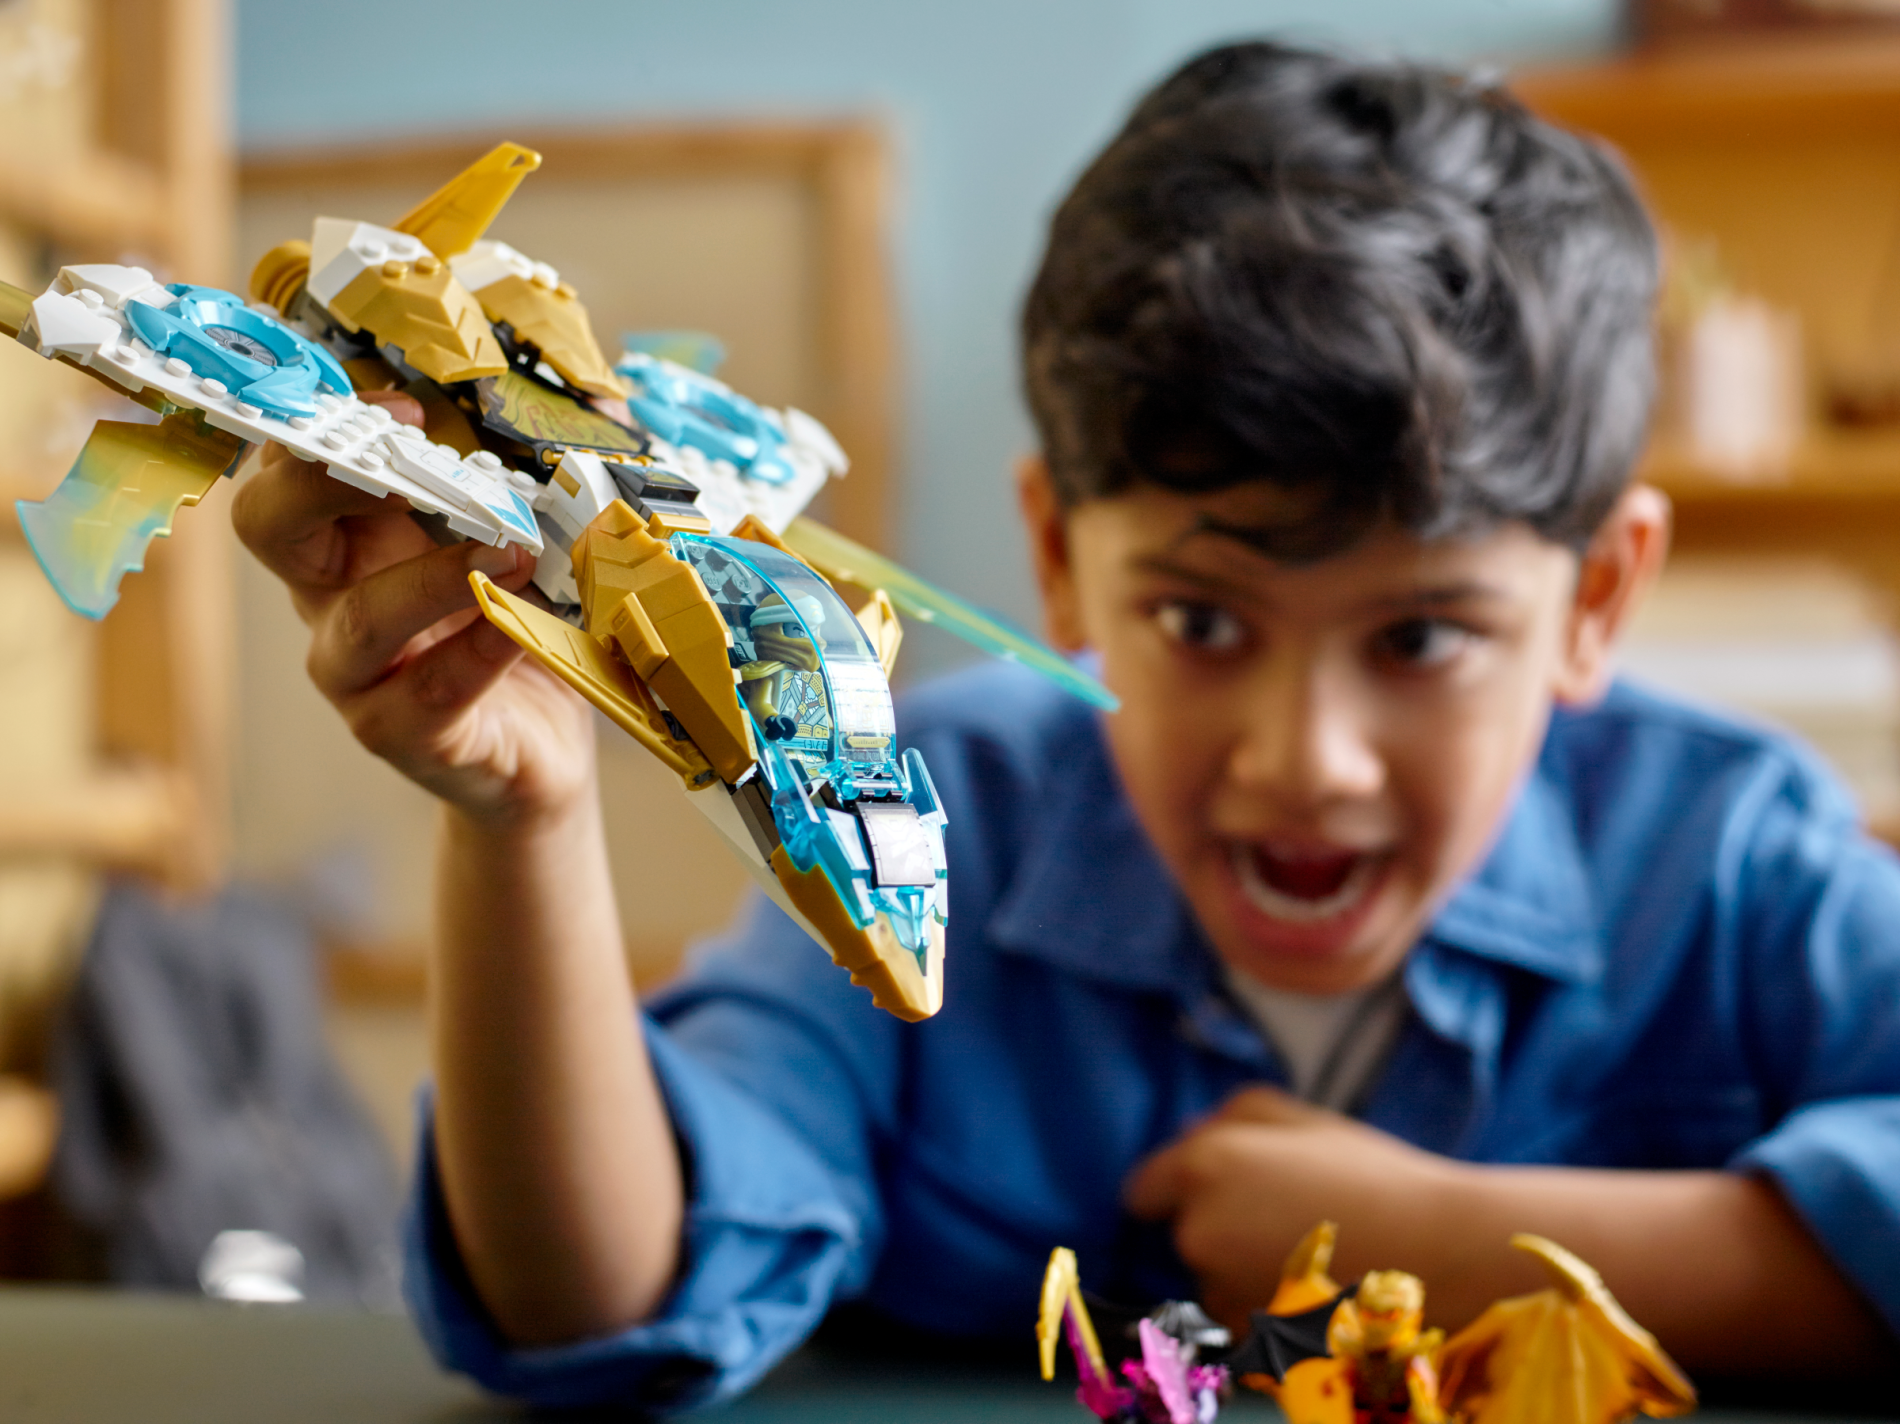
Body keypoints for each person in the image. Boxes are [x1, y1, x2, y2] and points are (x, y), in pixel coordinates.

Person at [229, 40, 1898, 1412]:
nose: (1305, 759)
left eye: (1422, 640)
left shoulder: (1729, 857)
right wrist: (526, 819)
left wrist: (1448, 1242)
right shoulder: (928, 815)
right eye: (1202, 622)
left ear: (1598, 599)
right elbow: (602, 1301)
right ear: (1057, 559)